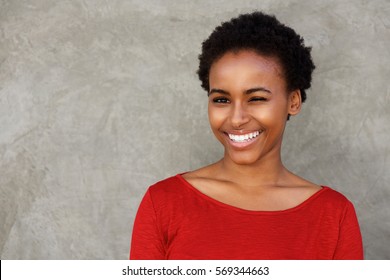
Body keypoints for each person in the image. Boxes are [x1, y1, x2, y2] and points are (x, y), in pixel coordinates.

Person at [130, 11, 363, 260]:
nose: (237, 118)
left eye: (256, 99)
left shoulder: (334, 215)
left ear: (293, 101)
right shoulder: (163, 203)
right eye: (221, 99)